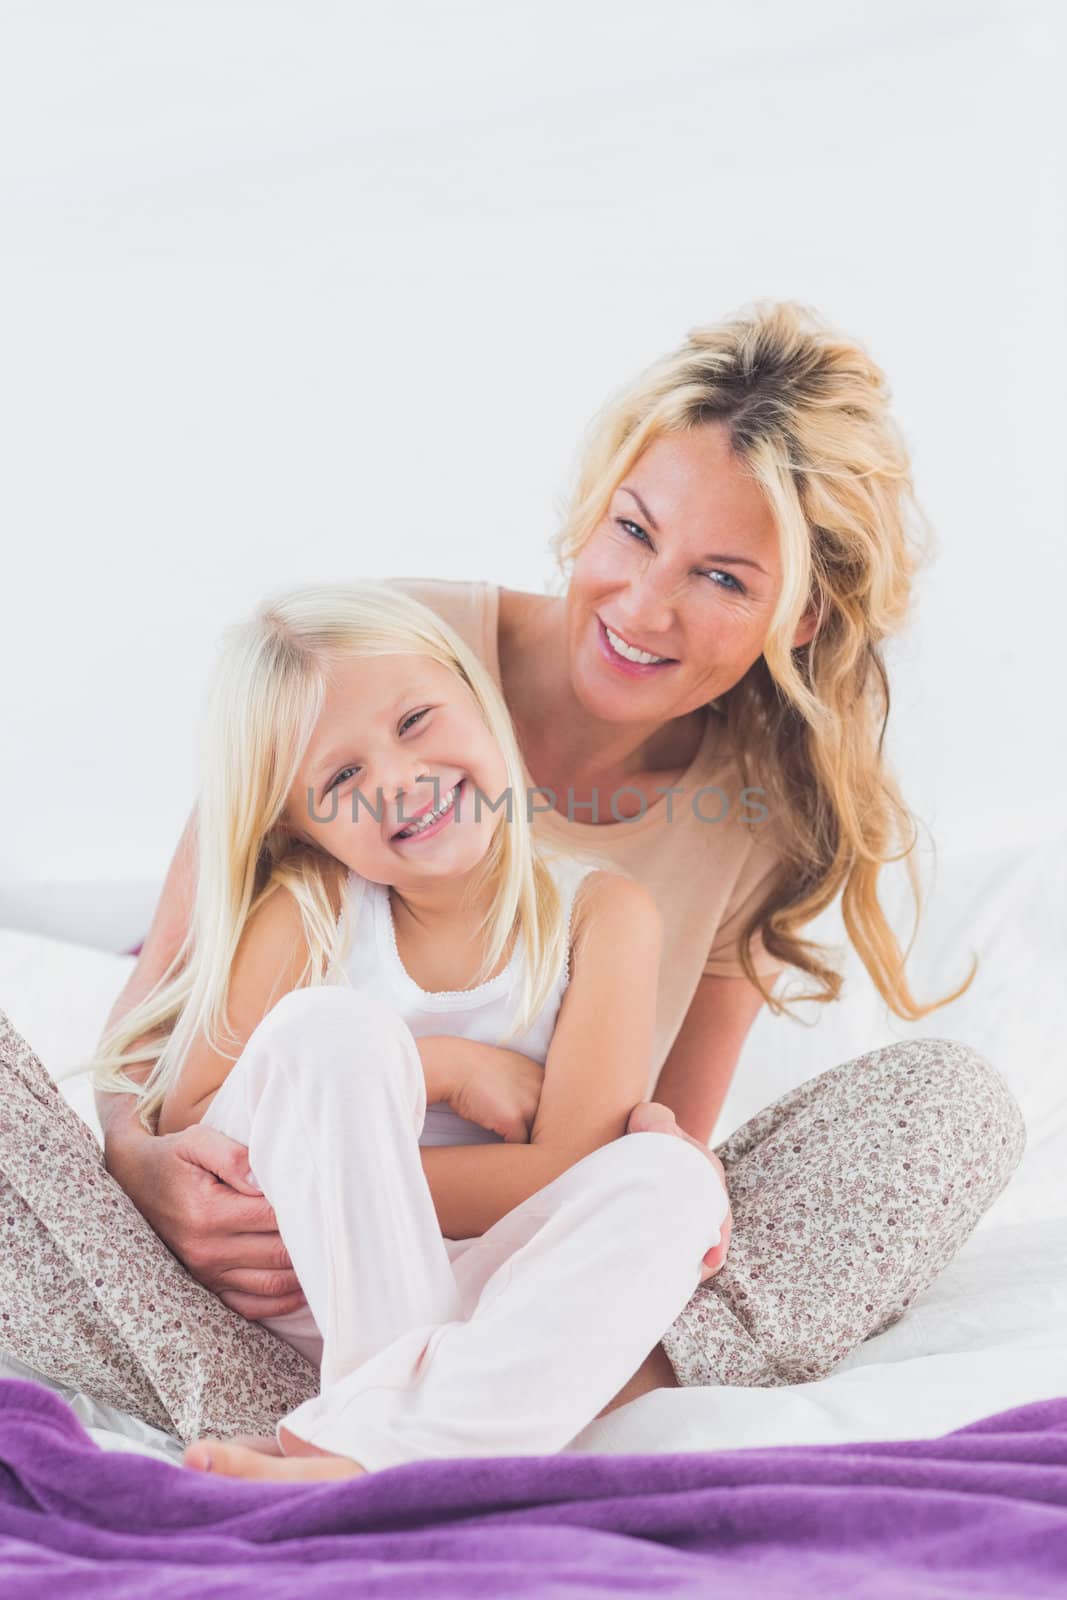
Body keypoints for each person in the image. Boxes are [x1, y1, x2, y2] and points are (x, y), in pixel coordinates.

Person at [94, 300, 1024, 1405]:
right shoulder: (378, 663)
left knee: (938, 1112)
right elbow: (155, 1030)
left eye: (721, 578)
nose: (641, 605)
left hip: (495, 1258)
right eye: (632, 530)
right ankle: (478, 1403)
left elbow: (639, 1148)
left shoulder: (762, 814)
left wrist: (373, 1185)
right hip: (245, 1257)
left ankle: (491, 1386)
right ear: (593, 509)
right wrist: (140, 1170)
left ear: (805, 618)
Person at [91, 581, 731, 1476]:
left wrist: (345, 1172)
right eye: (341, 778)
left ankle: (369, 1446)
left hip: (473, 1295)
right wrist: (433, 1068)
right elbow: (197, 1136)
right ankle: (402, 1431)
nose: (395, 779)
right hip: (299, 1283)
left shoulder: (603, 917)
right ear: (300, 826)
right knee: (329, 1031)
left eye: (416, 720)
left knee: (674, 1179)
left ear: (479, 694)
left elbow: (567, 1173)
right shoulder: (309, 909)